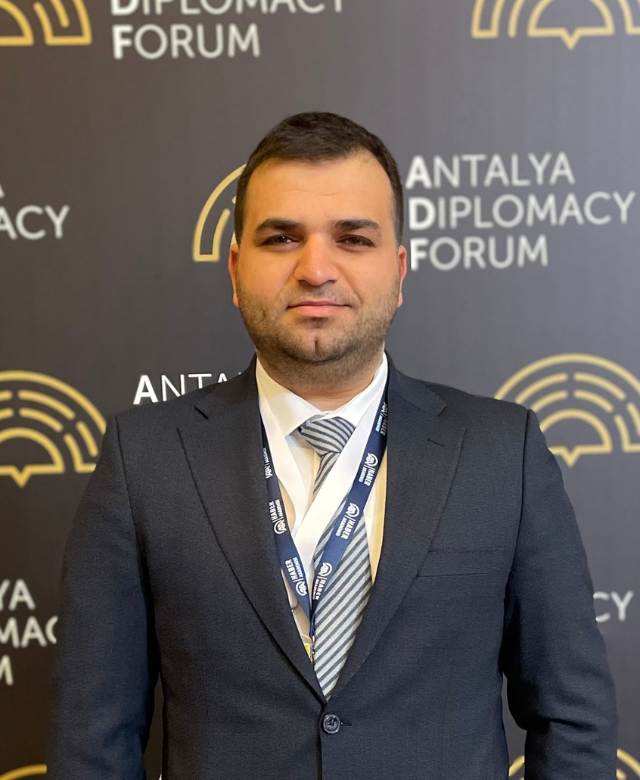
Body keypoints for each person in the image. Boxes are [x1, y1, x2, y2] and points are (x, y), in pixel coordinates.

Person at [47, 112, 617, 780]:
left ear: (399, 271)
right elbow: (93, 741)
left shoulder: (504, 455)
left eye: (353, 238)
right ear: (235, 270)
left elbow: (572, 720)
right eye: (281, 238)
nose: (316, 269)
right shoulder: (141, 461)